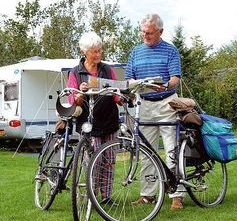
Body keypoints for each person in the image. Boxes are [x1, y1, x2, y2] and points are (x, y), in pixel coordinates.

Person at [125, 13, 184, 210]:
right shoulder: (135, 52)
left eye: (149, 33)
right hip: (145, 105)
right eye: (143, 32)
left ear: (160, 31)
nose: (146, 36)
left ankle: (177, 194)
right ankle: (148, 194)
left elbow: (176, 77)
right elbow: (129, 79)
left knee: (171, 150)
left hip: (167, 102)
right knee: (146, 152)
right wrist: (131, 93)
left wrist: (166, 84)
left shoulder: (170, 50)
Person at [67, 31, 120, 204]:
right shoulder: (75, 73)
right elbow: (72, 101)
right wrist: (80, 93)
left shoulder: (108, 70)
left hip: (110, 121)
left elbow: (116, 95)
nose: (98, 54)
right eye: (94, 51)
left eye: (100, 50)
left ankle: (106, 197)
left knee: (109, 160)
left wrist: (125, 96)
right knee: (93, 162)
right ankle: (91, 197)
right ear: (84, 52)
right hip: (88, 124)